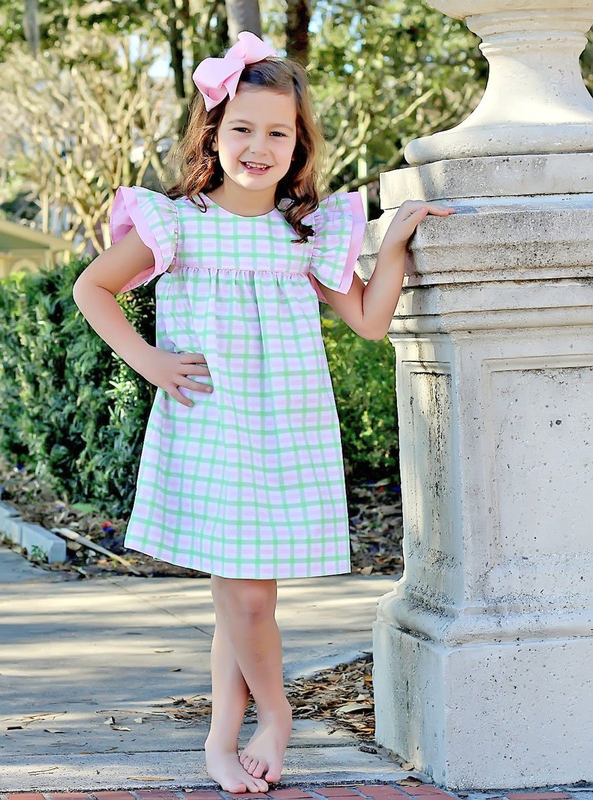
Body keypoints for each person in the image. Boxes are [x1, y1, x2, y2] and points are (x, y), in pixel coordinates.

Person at [73, 31, 453, 794]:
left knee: (244, 594)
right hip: (212, 422)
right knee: (243, 592)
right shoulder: (174, 223)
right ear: (213, 134)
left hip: (285, 428)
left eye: (279, 132)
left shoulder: (302, 234)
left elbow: (371, 322)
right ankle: (275, 714)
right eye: (243, 128)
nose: (260, 145)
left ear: (298, 144)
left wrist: (398, 245)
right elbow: (93, 289)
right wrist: (148, 360)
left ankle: (222, 739)